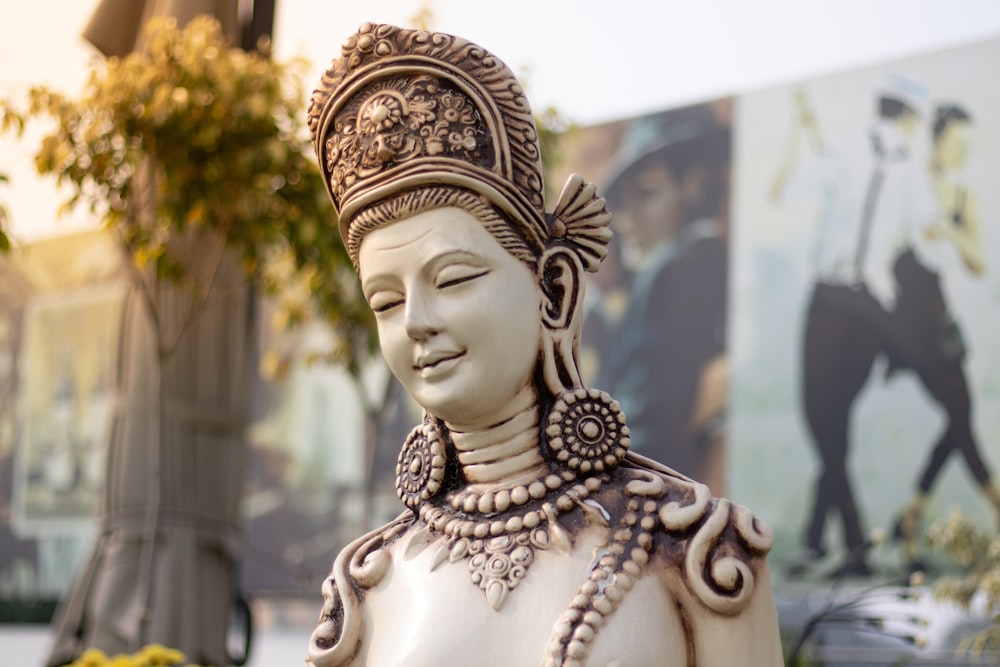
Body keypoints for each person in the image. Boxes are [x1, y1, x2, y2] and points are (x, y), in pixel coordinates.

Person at [304, 23, 781, 666]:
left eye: (453, 278)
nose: (416, 321)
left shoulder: (696, 550)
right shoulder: (367, 585)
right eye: (385, 302)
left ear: (553, 288)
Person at [771, 80, 936, 577]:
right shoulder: (913, 172)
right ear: (910, 118)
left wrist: (800, 137)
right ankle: (825, 537)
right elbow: (921, 240)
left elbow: (785, 190)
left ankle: (853, 539)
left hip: (831, 300)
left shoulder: (842, 149)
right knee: (832, 424)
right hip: (872, 310)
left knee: (821, 420)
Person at [599, 108, 730, 493]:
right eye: (624, 203)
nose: (627, 219)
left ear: (693, 184)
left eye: (647, 194)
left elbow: (646, 424)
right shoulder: (700, 262)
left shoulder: (675, 267)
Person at [893, 103, 1000, 558]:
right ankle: (993, 505)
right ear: (936, 140)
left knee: (959, 418)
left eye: (966, 148)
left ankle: (912, 515)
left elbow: (978, 261)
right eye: (954, 145)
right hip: (907, 328)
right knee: (960, 415)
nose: (959, 154)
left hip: (939, 323)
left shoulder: (960, 195)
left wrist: (948, 231)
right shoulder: (908, 180)